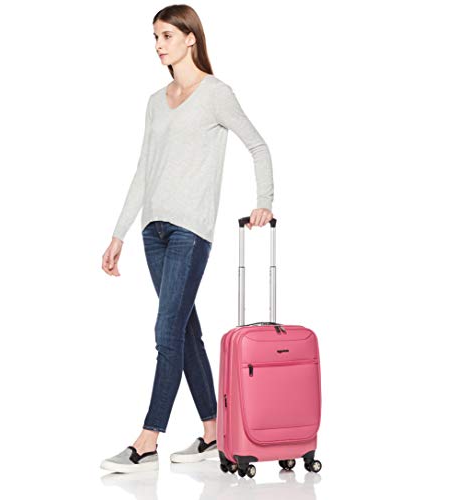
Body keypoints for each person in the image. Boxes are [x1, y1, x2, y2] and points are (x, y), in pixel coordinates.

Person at [100, 4, 274, 474]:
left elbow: (258, 146)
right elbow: (144, 169)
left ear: (190, 38)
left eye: (167, 36)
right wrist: (118, 233)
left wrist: (264, 201)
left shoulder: (216, 93)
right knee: (185, 331)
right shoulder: (156, 101)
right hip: (152, 231)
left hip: (190, 231)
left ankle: (147, 440)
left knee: (167, 333)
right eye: (155, 37)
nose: (158, 45)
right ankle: (214, 432)